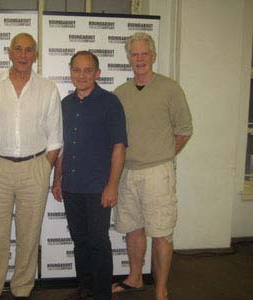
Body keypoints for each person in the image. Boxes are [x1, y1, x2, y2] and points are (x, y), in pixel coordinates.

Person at [0, 32, 63, 300]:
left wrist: (44, 168)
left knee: (29, 234)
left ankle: (22, 288)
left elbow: (55, 137)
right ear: (9, 53)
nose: (23, 55)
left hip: (35, 167)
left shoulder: (47, 89)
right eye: (18, 49)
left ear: (35, 55)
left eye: (29, 50)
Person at [112, 32, 193, 300]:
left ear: (153, 56)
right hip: (126, 173)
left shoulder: (170, 89)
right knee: (133, 228)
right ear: (128, 59)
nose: (139, 59)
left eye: (144, 53)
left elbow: (183, 131)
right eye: (134, 54)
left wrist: (162, 155)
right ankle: (135, 278)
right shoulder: (120, 93)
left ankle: (160, 289)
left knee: (161, 233)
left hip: (158, 172)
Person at [52, 51, 127, 300]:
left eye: (87, 70)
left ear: (97, 73)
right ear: (70, 72)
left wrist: (112, 185)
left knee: (98, 242)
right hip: (72, 186)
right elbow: (62, 146)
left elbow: (119, 146)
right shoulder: (65, 104)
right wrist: (57, 180)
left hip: (98, 187)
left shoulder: (110, 102)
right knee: (80, 241)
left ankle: (102, 293)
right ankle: (86, 289)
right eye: (76, 70)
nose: (81, 75)